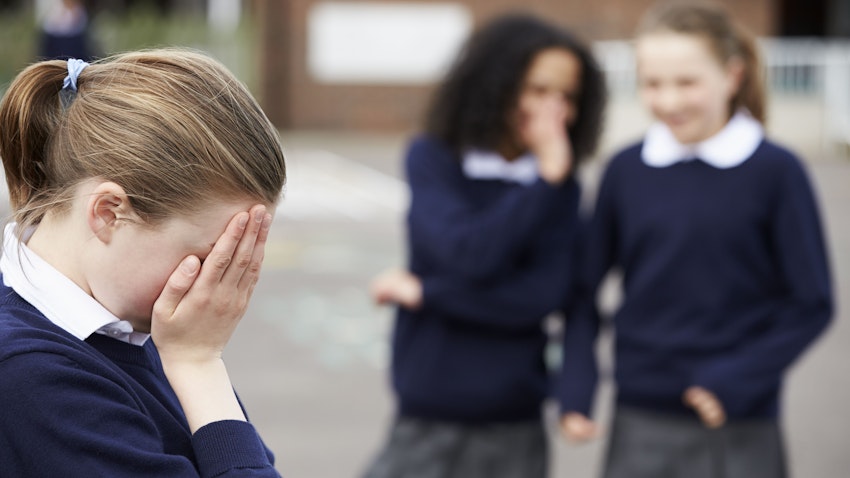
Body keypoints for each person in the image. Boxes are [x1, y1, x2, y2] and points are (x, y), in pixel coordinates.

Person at [557, 2, 833, 477]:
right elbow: (582, 291)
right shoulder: (625, 170)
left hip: (738, 420)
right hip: (639, 417)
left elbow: (811, 304)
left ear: (733, 75)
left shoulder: (776, 171)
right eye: (652, 83)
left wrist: (735, 379)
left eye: (687, 82)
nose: (668, 101)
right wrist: (576, 388)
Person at [0, 49, 286, 477]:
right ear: (109, 213)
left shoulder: (131, 325)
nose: (222, 287)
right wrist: (199, 365)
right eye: (212, 257)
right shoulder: (34, 378)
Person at [361, 13, 606, 478]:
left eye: (567, 97)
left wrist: (429, 293)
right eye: (537, 91)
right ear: (494, 86)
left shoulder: (562, 188)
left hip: (514, 419)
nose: (555, 113)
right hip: (428, 411)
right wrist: (544, 181)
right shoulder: (434, 159)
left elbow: (543, 297)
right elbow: (468, 255)